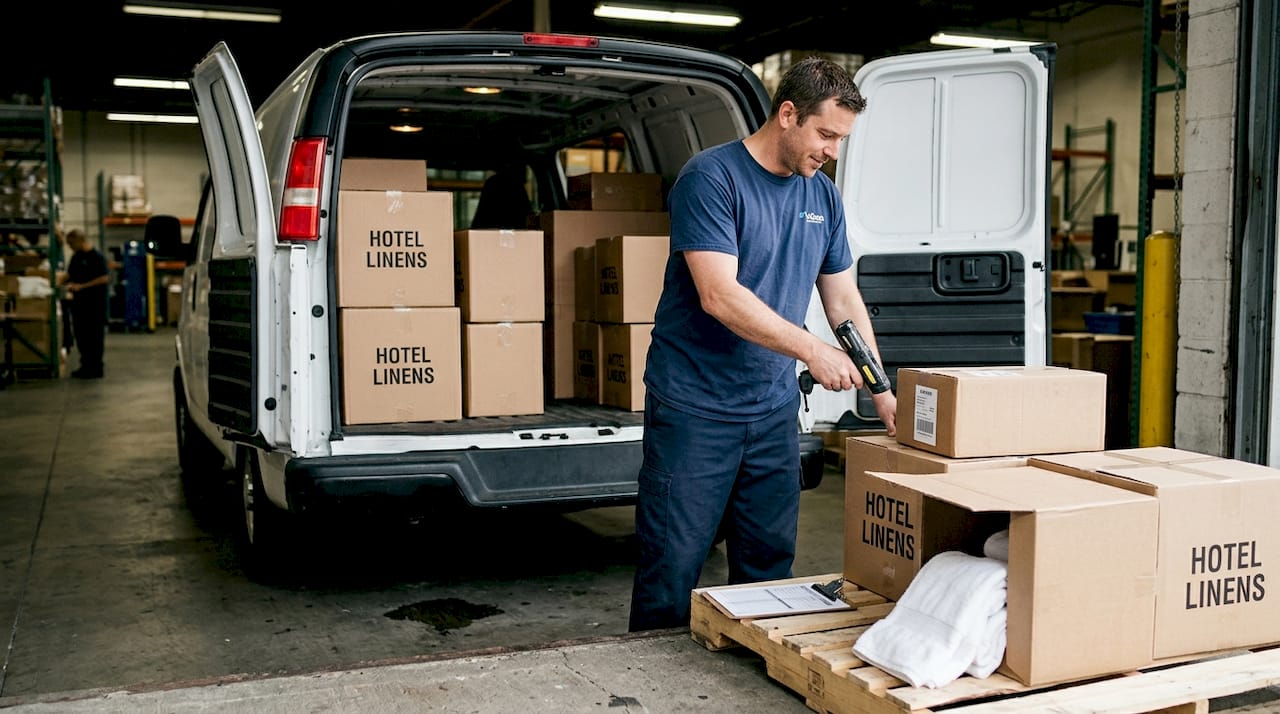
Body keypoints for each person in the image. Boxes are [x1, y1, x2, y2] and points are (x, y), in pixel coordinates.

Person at [628, 57, 898, 632]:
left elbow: (843, 299)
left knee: (768, 562)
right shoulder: (711, 178)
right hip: (694, 407)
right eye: (825, 134)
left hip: (771, 408)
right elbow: (719, 295)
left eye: (841, 139)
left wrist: (881, 388)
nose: (831, 150)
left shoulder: (821, 197)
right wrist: (812, 351)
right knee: (673, 562)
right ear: (788, 114)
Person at [60, 229, 110, 379]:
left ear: (78, 241)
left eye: (70, 244)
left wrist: (82, 286)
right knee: (81, 336)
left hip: (94, 305)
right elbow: (70, 274)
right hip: (79, 305)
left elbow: (104, 278)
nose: (69, 247)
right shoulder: (76, 257)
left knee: (94, 337)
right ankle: (86, 365)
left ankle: (95, 367)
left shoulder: (96, 257)